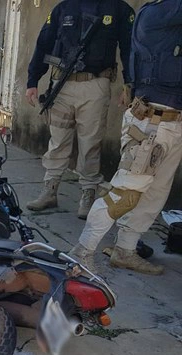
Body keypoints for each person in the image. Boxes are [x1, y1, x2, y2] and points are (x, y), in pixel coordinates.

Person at [69, 1, 182, 275]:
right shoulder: (159, 11)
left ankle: (125, 250)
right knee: (125, 194)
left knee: (155, 194)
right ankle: (81, 253)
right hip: (152, 123)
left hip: (173, 122)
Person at [25, 0, 134, 219]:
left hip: (95, 84)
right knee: (58, 140)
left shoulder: (118, 9)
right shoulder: (64, 8)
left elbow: (130, 49)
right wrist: (33, 80)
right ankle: (50, 189)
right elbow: (44, 42)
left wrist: (130, 84)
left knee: (90, 143)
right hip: (62, 85)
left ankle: (88, 192)